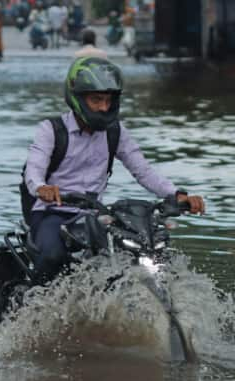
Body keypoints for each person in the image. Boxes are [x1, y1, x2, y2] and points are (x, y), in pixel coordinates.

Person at [22, 57, 205, 282]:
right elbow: (34, 171)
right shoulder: (50, 130)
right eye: (96, 100)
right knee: (52, 256)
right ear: (77, 97)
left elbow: (144, 171)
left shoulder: (115, 133)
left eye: (108, 100)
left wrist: (176, 195)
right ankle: (31, 306)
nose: (104, 107)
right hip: (51, 214)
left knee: (131, 256)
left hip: (94, 217)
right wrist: (42, 188)